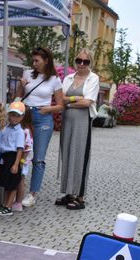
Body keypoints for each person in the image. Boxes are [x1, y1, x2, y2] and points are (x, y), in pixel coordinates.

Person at [18, 47, 64, 207]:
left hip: (43, 118)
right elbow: (17, 97)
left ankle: (32, 194)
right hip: (25, 115)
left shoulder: (55, 80)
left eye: (37, 60)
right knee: (19, 153)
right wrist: (21, 86)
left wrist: (48, 109)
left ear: (46, 61)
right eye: (33, 60)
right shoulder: (27, 74)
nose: (34, 63)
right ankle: (16, 190)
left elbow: (60, 105)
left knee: (38, 158)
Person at [56, 49, 100, 210]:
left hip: (82, 122)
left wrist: (68, 103)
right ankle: (69, 193)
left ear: (90, 63)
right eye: (79, 60)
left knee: (80, 156)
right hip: (67, 121)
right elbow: (60, 98)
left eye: (85, 61)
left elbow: (87, 102)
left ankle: (80, 197)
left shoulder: (93, 78)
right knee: (67, 154)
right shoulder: (68, 78)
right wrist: (75, 99)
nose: (81, 64)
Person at [0, 102, 25, 216]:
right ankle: (4, 204)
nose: (14, 118)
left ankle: (9, 206)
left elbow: (20, 149)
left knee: (12, 184)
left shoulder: (20, 132)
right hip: (4, 157)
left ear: (22, 117)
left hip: (13, 157)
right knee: (7, 184)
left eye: (17, 116)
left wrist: (16, 164)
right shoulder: (6, 128)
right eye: (12, 115)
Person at [14, 107, 34, 212]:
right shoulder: (26, 129)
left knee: (20, 181)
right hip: (22, 159)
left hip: (23, 160)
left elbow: (27, 148)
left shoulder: (25, 131)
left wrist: (21, 161)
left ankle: (18, 202)